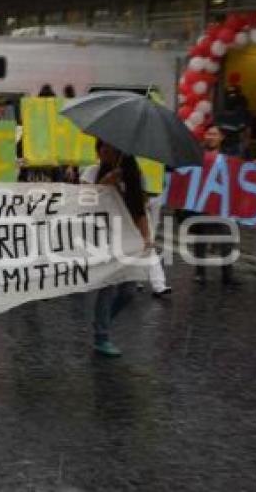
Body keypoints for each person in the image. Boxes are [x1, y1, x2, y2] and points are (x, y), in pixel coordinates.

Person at [80, 139, 151, 357]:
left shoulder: (135, 175)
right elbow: (83, 202)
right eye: (101, 148)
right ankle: (102, 336)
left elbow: (140, 210)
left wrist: (145, 237)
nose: (104, 152)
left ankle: (101, 323)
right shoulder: (91, 173)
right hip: (102, 236)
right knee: (108, 286)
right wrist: (105, 183)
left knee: (128, 291)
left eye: (109, 148)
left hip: (127, 237)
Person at [188, 125, 240, 288]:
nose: (210, 136)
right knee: (200, 239)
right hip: (201, 203)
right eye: (208, 133)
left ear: (221, 137)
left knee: (227, 238)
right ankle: (200, 273)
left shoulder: (229, 155)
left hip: (221, 204)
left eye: (214, 134)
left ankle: (227, 275)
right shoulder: (196, 154)